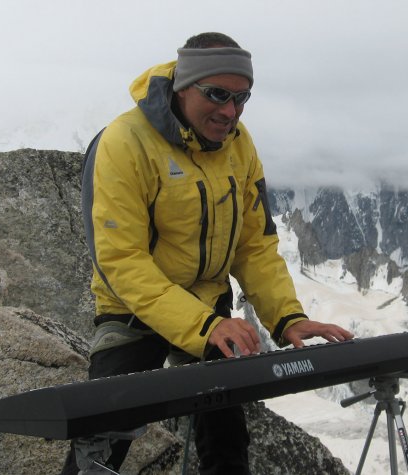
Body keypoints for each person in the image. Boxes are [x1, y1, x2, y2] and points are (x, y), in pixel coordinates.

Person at [62, 32, 354, 474]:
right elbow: (121, 259)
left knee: (226, 432)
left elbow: (254, 245)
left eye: (241, 98)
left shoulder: (239, 144)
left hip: (209, 304)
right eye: (217, 94)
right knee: (106, 426)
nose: (230, 111)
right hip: (132, 311)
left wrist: (287, 317)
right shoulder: (126, 142)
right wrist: (205, 326)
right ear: (183, 85)